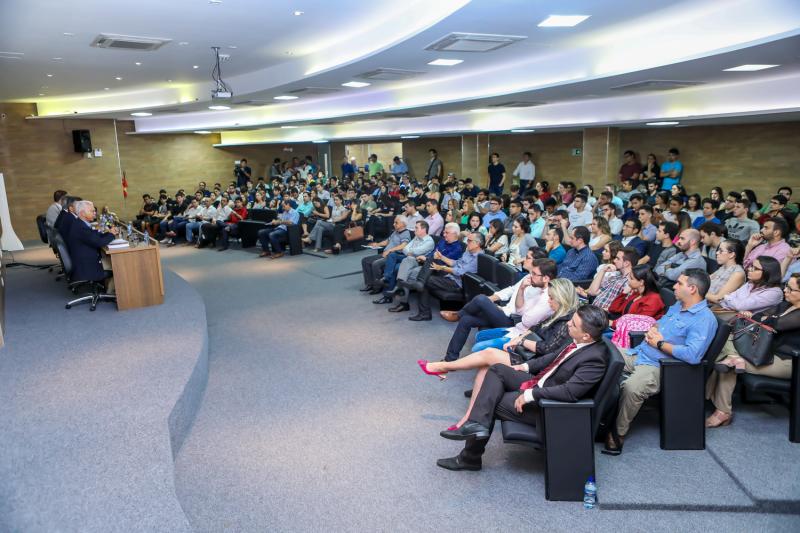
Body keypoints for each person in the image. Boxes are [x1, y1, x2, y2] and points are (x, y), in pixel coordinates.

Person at [434, 305, 609, 471]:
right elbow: (550, 358)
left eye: (574, 324)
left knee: (490, 402)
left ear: (586, 336)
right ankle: (476, 425)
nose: (568, 323)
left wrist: (530, 394)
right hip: (542, 383)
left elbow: (569, 392)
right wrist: (525, 367)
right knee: (498, 369)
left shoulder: (595, 359)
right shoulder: (578, 341)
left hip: (548, 408)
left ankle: (469, 458)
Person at [605, 269, 717, 454]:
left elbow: (693, 355)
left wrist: (660, 343)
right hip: (639, 352)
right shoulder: (678, 306)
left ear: (692, 289)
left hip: (659, 365)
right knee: (601, 352)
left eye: (679, 283)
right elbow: (661, 323)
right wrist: (653, 329)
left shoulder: (704, 319)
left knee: (632, 388)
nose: (674, 286)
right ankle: (596, 416)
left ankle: (618, 432)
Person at [705, 273, 800, 428]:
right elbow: (758, 316)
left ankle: (723, 411)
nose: (785, 290)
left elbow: (776, 325)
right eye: (786, 286)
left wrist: (767, 319)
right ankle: (732, 357)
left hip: (788, 361)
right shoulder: (785, 305)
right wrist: (765, 319)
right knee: (726, 343)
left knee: (727, 364)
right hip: (766, 351)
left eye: (790, 288)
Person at [436, 254, 556, 361]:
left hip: (513, 321)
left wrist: (498, 307)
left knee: (481, 299)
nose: (530, 275)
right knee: (466, 320)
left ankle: (458, 314)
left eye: (534, 273)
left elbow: (523, 317)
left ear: (546, 278)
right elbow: (512, 291)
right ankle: (450, 358)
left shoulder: (547, 297)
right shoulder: (529, 280)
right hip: (505, 312)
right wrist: (496, 300)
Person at [408, 232, 483, 321]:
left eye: (469, 241)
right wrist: (441, 257)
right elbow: (455, 263)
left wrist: (442, 268)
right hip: (452, 276)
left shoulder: (478, 258)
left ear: (477, 244)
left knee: (427, 280)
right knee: (434, 259)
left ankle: (424, 312)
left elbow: (459, 272)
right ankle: (420, 281)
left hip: (458, 283)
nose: (467, 242)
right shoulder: (468, 252)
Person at [373, 220, 435, 303]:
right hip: (407, 257)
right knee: (392, 255)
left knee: (396, 268)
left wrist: (410, 251)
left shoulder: (429, 241)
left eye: (416, 228)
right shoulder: (416, 237)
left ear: (423, 230)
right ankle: (386, 278)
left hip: (416, 261)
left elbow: (416, 252)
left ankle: (388, 296)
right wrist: (410, 252)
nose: (414, 229)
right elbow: (405, 249)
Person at [607, 265, 665, 349]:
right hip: (621, 329)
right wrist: (624, 293)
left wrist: (613, 323)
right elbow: (613, 309)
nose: (628, 280)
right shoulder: (637, 294)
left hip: (631, 336)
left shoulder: (654, 299)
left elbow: (637, 323)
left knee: (599, 338)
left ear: (641, 282)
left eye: (631, 278)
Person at [67, 200, 119, 283]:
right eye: (92, 211)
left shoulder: (79, 223)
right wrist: (112, 234)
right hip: (87, 268)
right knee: (118, 266)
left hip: (84, 261)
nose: (95, 213)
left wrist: (108, 233)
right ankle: (112, 289)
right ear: (83, 213)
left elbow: (93, 236)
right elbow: (99, 242)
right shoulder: (81, 227)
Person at [713, 256, 784, 316]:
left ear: (767, 272)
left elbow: (739, 305)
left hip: (747, 325)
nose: (749, 269)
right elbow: (722, 301)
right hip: (730, 315)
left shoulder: (774, 292)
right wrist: (738, 308)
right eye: (751, 266)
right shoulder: (750, 283)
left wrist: (726, 296)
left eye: (755, 268)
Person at [359, 216, 411, 293]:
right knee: (365, 260)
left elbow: (403, 245)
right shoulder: (395, 232)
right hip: (385, 253)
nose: (393, 224)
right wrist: (377, 244)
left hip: (392, 256)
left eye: (396, 223)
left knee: (375, 264)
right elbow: (387, 241)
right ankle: (370, 284)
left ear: (403, 224)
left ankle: (377, 287)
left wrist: (389, 250)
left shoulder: (406, 233)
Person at [706, 239, 746, 305]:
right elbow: (704, 280)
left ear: (732, 255)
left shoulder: (738, 274)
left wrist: (699, 292)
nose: (717, 253)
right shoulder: (723, 267)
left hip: (713, 308)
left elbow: (718, 299)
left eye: (721, 251)